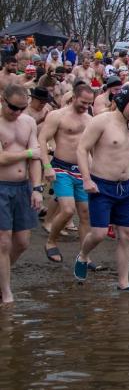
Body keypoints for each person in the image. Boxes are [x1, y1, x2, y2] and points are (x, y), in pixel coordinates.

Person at [73, 86, 129, 290]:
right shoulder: (101, 121)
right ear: (121, 103)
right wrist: (86, 179)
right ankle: (83, 255)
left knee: (127, 234)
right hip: (101, 185)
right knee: (99, 233)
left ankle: (124, 283)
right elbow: (82, 149)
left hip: (125, 188)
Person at [37, 84, 95, 264]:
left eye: (89, 103)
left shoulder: (90, 119)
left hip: (82, 171)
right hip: (61, 168)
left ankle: (84, 256)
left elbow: (92, 148)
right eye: (83, 102)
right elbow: (42, 139)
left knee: (85, 214)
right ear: (74, 97)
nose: (86, 106)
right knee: (68, 210)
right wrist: (47, 166)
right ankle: (51, 241)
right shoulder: (58, 115)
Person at [0, 85, 43, 303]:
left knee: (23, 242)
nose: (17, 112)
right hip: (1, 186)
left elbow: (36, 158)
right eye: (13, 108)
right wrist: (28, 152)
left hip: (23, 187)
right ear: (2, 100)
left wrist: (37, 188)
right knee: (3, 242)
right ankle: (6, 293)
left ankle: (2, 277)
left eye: (22, 108)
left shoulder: (28, 122)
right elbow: (1, 158)